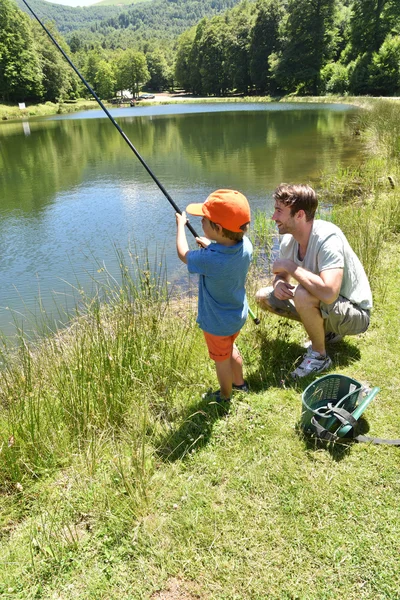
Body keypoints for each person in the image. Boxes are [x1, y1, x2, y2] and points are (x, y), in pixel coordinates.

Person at [255, 183, 372, 378]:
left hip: (355, 314)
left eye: (279, 211)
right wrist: (278, 284)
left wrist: (290, 267)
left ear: (299, 215)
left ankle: (319, 356)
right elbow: (281, 275)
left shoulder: (328, 239)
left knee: (302, 293)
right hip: (329, 306)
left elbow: (328, 293)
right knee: (263, 296)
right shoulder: (289, 239)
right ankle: (327, 333)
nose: (274, 217)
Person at [176, 189, 253, 402]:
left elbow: (183, 254)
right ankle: (240, 384)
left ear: (218, 228)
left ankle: (225, 396)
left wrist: (181, 227)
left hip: (217, 323)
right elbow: (225, 252)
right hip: (236, 315)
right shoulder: (245, 245)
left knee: (221, 360)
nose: (201, 221)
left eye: (205, 219)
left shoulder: (210, 259)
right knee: (230, 349)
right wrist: (211, 246)